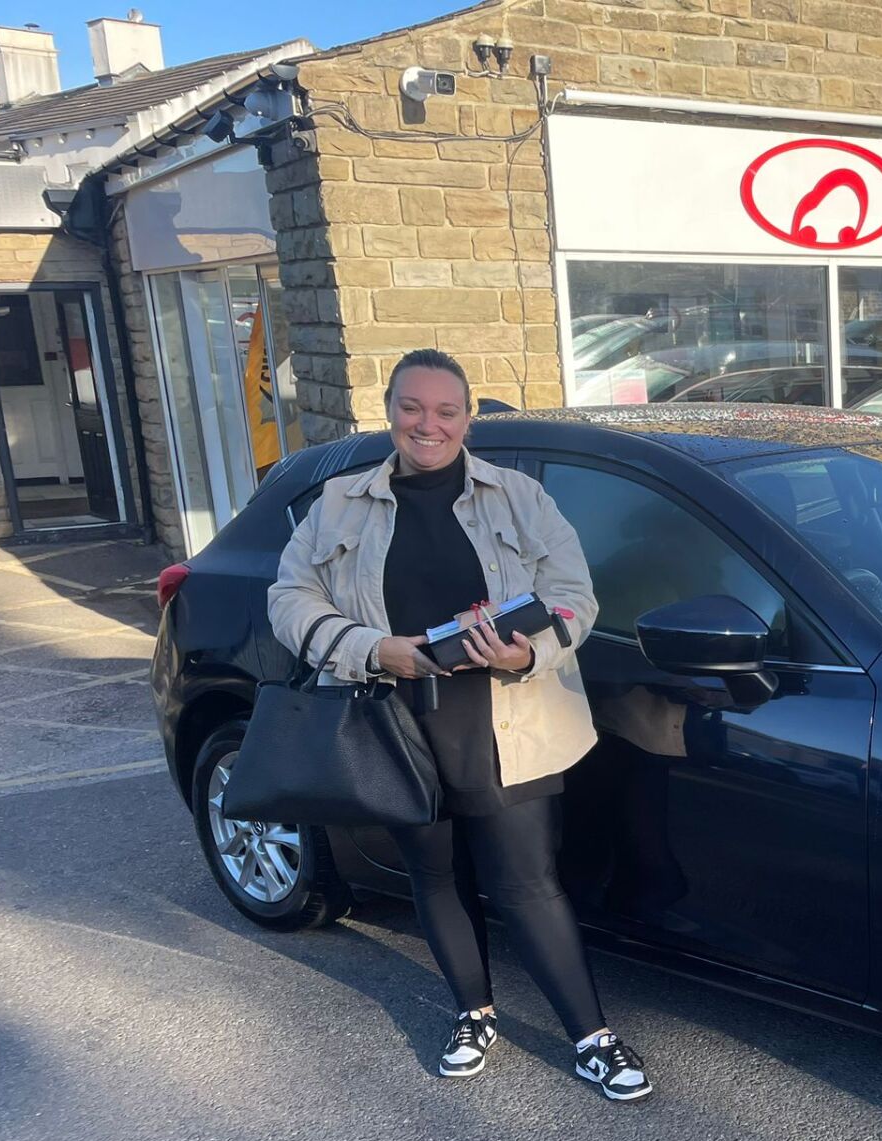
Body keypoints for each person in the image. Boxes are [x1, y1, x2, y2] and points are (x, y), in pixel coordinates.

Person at [269, 348, 652, 1101]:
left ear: (468, 417)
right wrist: (373, 650)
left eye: (446, 410)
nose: (428, 424)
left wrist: (529, 650)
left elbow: (577, 596)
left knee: (527, 885)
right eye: (413, 407)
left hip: (509, 718)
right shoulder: (341, 503)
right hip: (394, 719)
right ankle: (473, 1013)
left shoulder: (519, 499)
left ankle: (592, 1038)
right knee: (434, 876)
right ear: (389, 410)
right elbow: (290, 598)